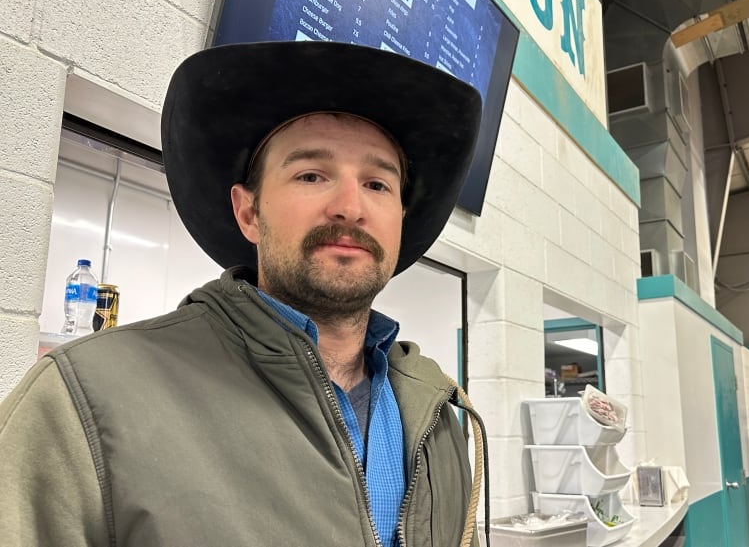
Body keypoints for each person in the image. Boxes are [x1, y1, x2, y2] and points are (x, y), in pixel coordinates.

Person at [0, 41, 488, 547]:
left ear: (399, 224)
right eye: (311, 175)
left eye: (378, 185)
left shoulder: (439, 418)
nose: (350, 206)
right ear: (249, 213)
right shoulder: (85, 402)